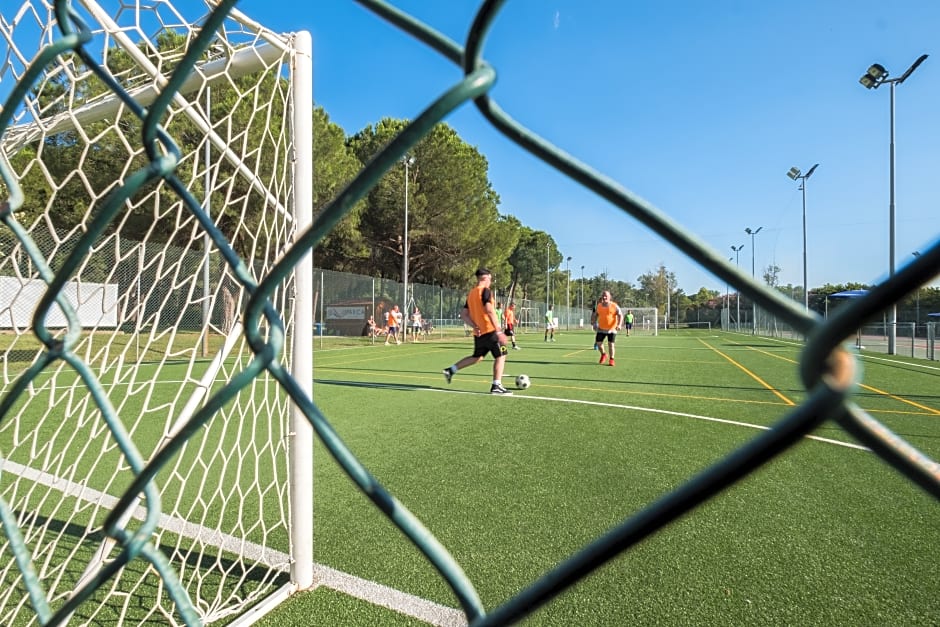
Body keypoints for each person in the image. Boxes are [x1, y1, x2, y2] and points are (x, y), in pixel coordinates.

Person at [441, 268, 513, 395]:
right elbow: (489, 310)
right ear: (485, 278)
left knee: (477, 357)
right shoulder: (485, 291)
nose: (490, 282)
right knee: (501, 355)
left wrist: (474, 326)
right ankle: (496, 385)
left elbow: (463, 314)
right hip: (490, 331)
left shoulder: (472, 293)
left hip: (479, 333)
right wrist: (499, 331)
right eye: (490, 279)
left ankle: (451, 370)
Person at [591, 290, 623, 366]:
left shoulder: (614, 306)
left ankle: (611, 359)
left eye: (606, 296)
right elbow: (595, 315)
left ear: (609, 297)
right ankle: (603, 354)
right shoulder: (599, 305)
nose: (604, 297)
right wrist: (594, 323)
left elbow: (620, 315)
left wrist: (619, 325)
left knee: (611, 344)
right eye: (603, 296)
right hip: (601, 328)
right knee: (599, 344)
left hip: (612, 329)